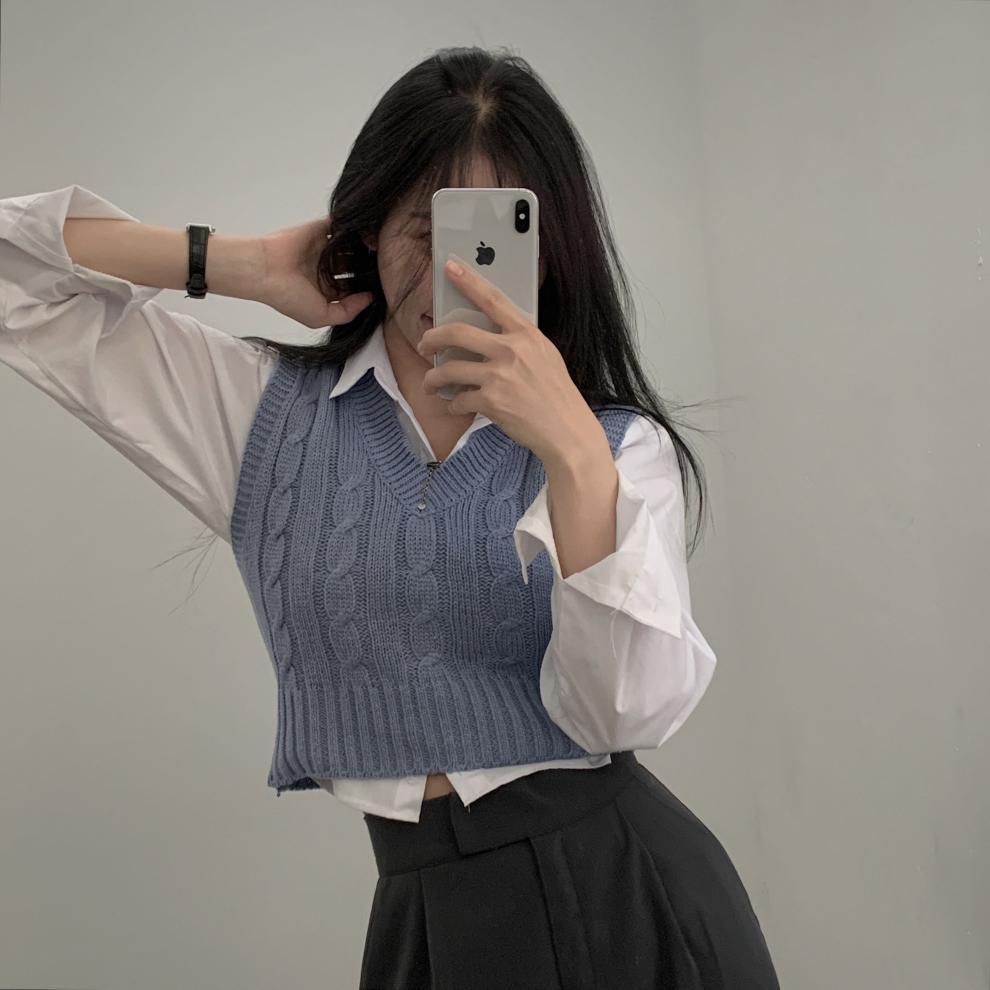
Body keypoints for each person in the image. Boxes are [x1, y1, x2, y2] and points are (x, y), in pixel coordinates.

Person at [0, 45, 779, 990]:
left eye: (497, 234)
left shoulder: (614, 447)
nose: (457, 270)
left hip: (630, 899)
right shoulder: (261, 416)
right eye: (426, 228)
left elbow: (625, 713)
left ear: (550, 249)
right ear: (367, 230)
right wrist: (237, 263)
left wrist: (572, 452)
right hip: (423, 913)